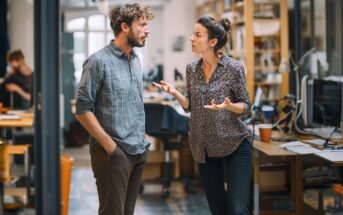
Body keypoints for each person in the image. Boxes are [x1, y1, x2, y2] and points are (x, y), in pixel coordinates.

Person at [153, 16, 253, 215]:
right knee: (218, 210)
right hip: (204, 146)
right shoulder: (192, 69)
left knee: (237, 209)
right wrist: (175, 93)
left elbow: (247, 106)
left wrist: (229, 106)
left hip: (235, 144)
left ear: (212, 42)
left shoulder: (233, 68)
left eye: (197, 35)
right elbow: (190, 106)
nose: (192, 38)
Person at [75, 3, 153, 215]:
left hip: (138, 150)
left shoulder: (135, 60)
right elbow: (82, 109)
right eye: (143, 25)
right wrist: (111, 148)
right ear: (125, 27)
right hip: (113, 154)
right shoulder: (98, 61)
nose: (147, 30)